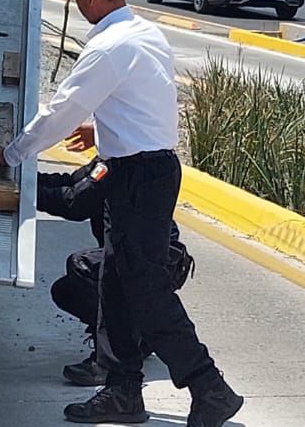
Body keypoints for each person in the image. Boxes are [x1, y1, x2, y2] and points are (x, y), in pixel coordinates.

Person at [0, 0, 242, 426]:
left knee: (146, 293)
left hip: (139, 177)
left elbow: (60, 110)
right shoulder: (144, 31)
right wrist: (101, 134)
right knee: (116, 287)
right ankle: (123, 391)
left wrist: (13, 154)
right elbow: (140, 104)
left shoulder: (106, 46)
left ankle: (210, 388)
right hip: (143, 170)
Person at [38, 154, 195, 388]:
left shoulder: (123, 163)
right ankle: (137, 341)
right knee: (66, 290)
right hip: (130, 254)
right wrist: (27, 179)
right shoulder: (108, 160)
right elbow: (72, 182)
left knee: (83, 266)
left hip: (159, 258)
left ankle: (110, 361)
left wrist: (29, 194)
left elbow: (76, 201)